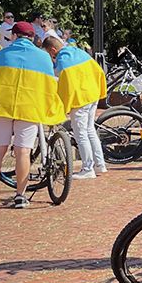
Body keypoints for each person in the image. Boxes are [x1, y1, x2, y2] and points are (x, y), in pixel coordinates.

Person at [0, 22, 65, 209]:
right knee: (23, 151)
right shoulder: (43, 57)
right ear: (32, 37)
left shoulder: (2, 55)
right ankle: (20, 196)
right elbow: (49, 86)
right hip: (29, 108)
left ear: (15, 36)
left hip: (1, 107)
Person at [43, 36, 107, 179]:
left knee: (80, 134)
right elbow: (99, 71)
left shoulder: (62, 59)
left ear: (53, 50)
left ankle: (87, 168)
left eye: (50, 54)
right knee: (90, 130)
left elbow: (63, 82)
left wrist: (63, 105)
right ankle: (100, 164)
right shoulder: (79, 52)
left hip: (79, 99)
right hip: (92, 95)